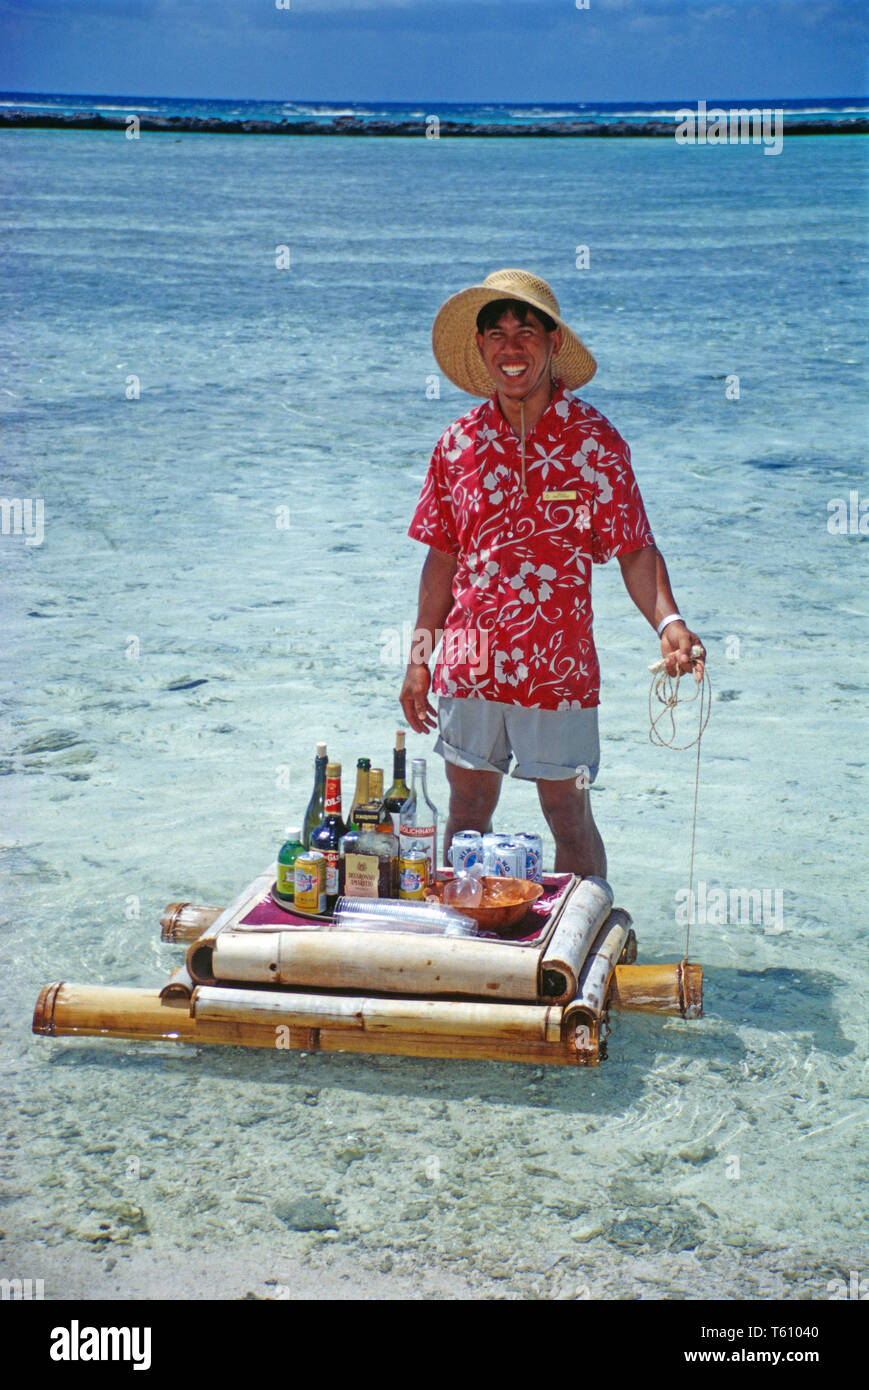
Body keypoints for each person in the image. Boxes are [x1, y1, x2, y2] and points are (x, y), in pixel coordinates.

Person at [400, 268, 705, 877]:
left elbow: (634, 547)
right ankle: (465, 943)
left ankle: (590, 938)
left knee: (568, 815)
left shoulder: (594, 441)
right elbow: (441, 557)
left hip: (558, 663)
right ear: (482, 348)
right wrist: (418, 656)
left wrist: (668, 620)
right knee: (465, 812)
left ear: (553, 342)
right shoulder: (455, 443)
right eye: (497, 334)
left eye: (526, 331)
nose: (511, 347)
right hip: (472, 657)